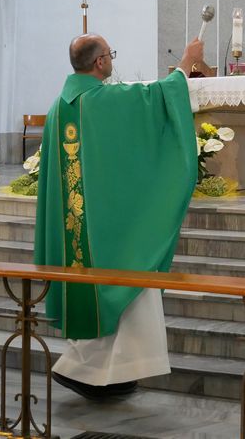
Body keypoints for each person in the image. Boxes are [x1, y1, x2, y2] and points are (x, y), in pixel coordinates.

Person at [34, 34, 203, 399]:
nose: (111, 59)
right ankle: (86, 371)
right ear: (99, 62)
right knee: (126, 279)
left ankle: (107, 373)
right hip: (106, 231)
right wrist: (186, 63)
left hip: (83, 225)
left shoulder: (60, 106)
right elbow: (158, 97)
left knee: (108, 292)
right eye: (109, 54)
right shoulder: (100, 101)